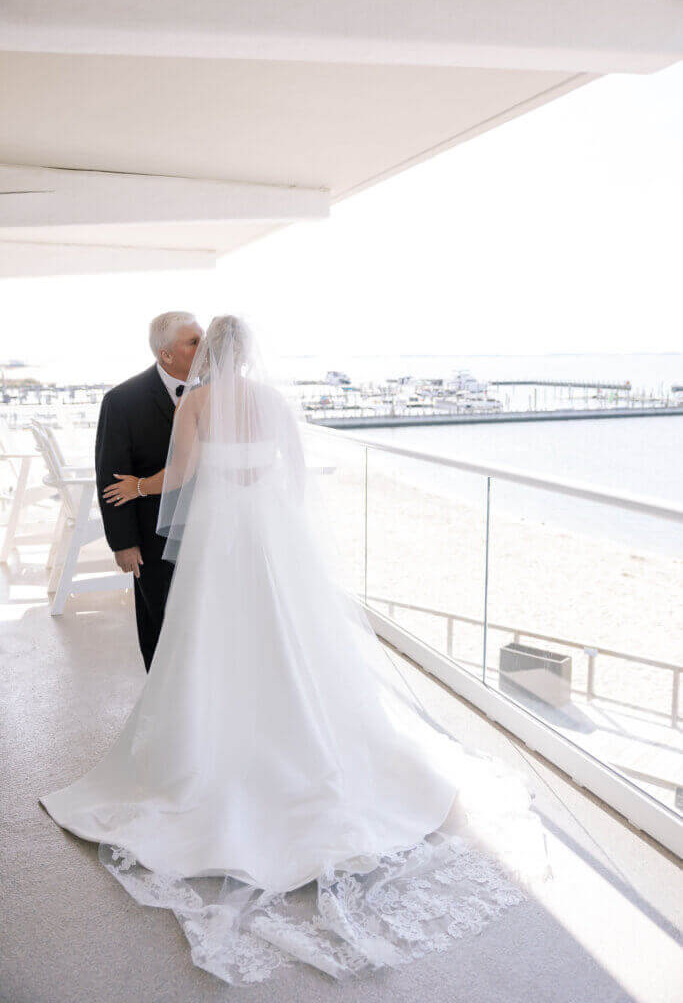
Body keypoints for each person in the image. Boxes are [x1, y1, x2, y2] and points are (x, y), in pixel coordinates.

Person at [40, 316, 552, 987]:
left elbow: (184, 472)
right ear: (249, 354)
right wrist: (269, 506)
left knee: (211, 643)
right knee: (288, 637)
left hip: (220, 542)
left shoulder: (197, 402)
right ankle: (304, 741)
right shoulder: (275, 402)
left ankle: (220, 747)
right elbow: (296, 470)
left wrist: (137, 487)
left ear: (207, 356)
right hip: (270, 534)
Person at [94, 311, 203, 671]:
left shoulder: (216, 394)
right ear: (166, 354)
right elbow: (111, 478)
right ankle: (161, 703)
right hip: (151, 533)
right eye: (193, 342)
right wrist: (123, 542)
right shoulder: (122, 401)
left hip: (210, 527)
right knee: (159, 619)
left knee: (205, 619)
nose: (204, 348)